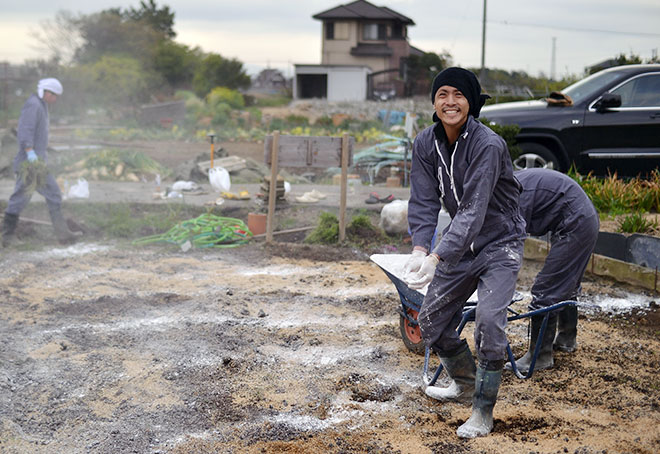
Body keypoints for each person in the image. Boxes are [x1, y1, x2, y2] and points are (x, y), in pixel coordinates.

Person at [404, 67, 527, 438]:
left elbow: (473, 210)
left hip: (499, 243)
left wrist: (438, 256)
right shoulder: (426, 143)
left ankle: (483, 411)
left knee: (489, 322)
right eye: (443, 94)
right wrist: (420, 246)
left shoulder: (487, 145)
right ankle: (464, 382)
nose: (450, 102)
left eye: (459, 95)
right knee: (430, 321)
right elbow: (424, 200)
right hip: (461, 244)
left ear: (471, 103)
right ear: (434, 102)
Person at [509, 168, 599, 373]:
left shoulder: (511, 196)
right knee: (565, 283)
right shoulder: (509, 184)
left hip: (576, 223)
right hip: (581, 218)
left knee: (546, 289)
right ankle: (567, 338)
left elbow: (510, 243)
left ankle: (540, 356)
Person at [2, 78, 77, 247]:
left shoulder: (41, 105)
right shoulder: (33, 105)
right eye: (54, 96)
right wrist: (30, 152)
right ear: (47, 92)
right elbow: (25, 130)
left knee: (54, 194)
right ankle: (7, 236)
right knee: (21, 197)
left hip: (38, 164)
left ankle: (62, 233)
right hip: (29, 164)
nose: (55, 99)